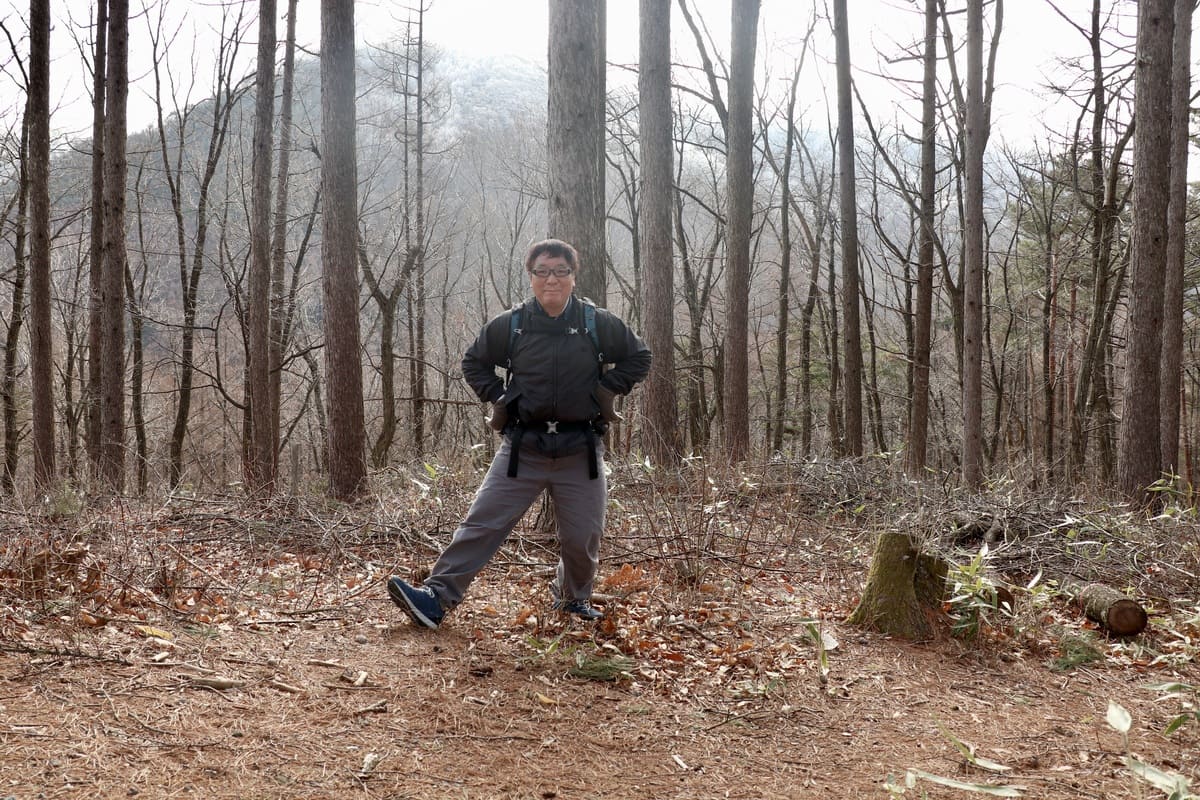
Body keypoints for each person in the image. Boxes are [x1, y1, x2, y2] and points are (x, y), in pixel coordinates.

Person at [388, 239, 652, 629]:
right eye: (542, 271)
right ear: (531, 277)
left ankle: (572, 600)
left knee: (583, 537)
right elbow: (473, 362)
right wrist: (499, 396)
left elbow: (639, 356)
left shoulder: (597, 323)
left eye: (561, 271)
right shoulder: (511, 325)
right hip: (521, 449)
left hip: (580, 450)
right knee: (482, 524)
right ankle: (435, 598)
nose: (552, 279)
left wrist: (607, 389)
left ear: (573, 277)